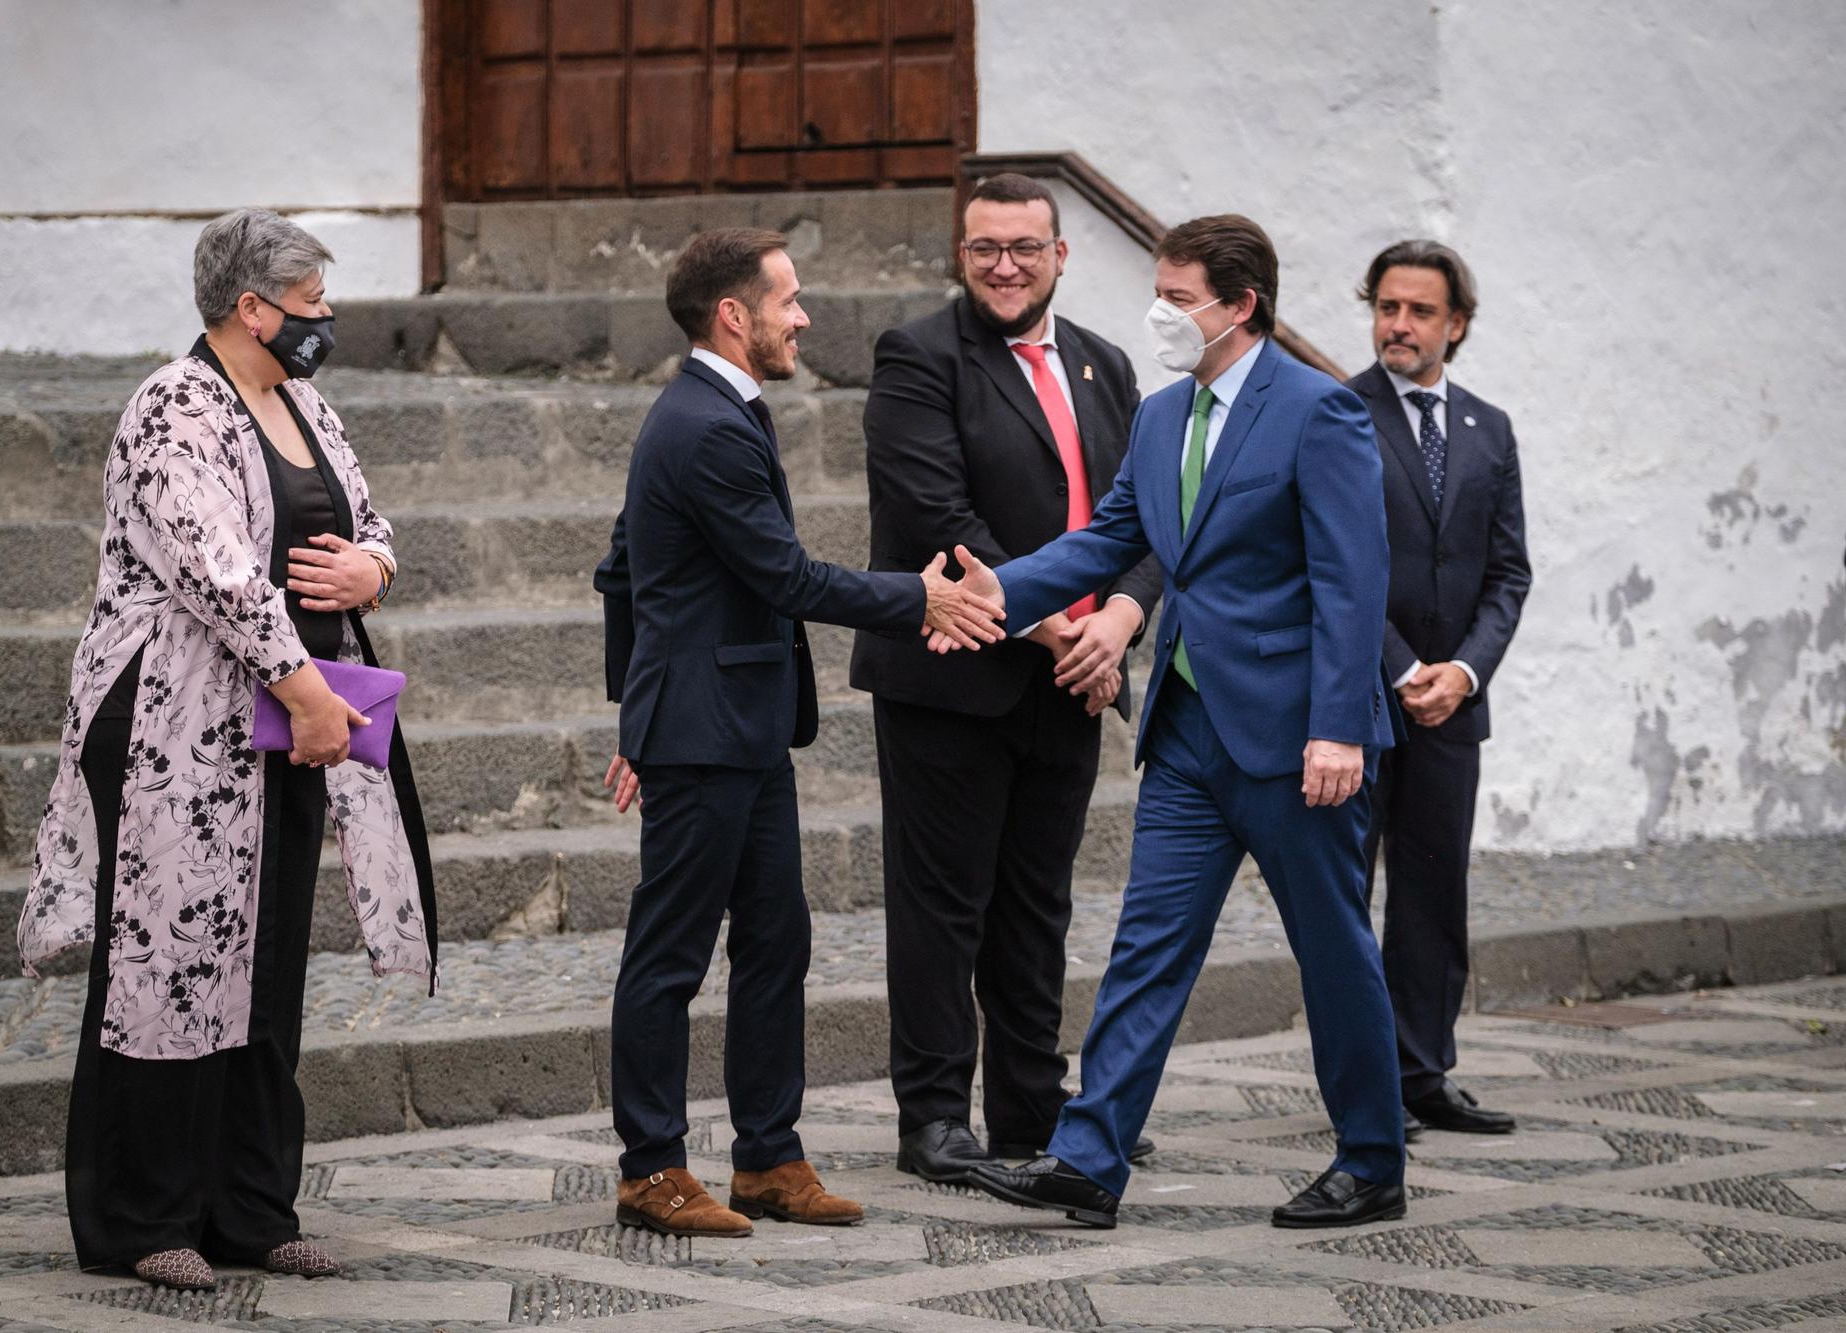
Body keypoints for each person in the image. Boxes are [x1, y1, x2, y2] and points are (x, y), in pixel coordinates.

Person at [956, 215, 1408, 1230]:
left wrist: (1337, 724)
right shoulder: (1162, 417)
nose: (1158, 313)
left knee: (1331, 950)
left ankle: (1371, 1160)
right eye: (1155, 293)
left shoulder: (1318, 412)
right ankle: (1087, 1158)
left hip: (1299, 739)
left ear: (1239, 304)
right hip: (1189, 731)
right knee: (1144, 948)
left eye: (1176, 296)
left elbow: (1349, 581)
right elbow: (1109, 537)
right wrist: (998, 592)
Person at [17, 209, 437, 1290]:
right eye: (308, 302)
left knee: (267, 959)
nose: (324, 319)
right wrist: (302, 691)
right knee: (168, 957)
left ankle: (251, 1206)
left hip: (288, 719)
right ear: (250, 307)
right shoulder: (172, 403)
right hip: (172, 723)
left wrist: (370, 574)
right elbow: (216, 571)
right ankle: (145, 1213)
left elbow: (371, 519)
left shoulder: (303, 400)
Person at [594, 227, 1004, 1239]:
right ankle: (649, 1169)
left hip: (738, 728)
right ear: (733, 314)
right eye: (787, 299)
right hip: (700, 736)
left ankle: (768, 1159)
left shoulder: (716, 412)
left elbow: (620, 569)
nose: (802, 316)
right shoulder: (703, 425)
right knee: (669, 956)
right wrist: (919, 598)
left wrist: (633, 702)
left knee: (779, 941)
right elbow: (782, 577)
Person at [850, 173, 1163, 1182]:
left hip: (1074, 676)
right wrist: (1058, 626)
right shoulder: (916, 358)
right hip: (953, 677)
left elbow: (1152, 518)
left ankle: (1031, 1106)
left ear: (1059, 256)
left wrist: (1115, 621)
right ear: (960, 253)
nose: (1003, 266)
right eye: (984, 247)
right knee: (942, 907)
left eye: (1024, 247)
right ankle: (934, 1117)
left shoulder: (1105, 367)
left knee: (1037, 902)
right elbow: (938, 521)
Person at [1349, 240, 1530, 1138]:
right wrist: (1399, 665)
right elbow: (1328, 567)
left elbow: (1509, 573)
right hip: (1359, 698)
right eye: (1387, 307)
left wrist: (1461, 671)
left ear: (1456, 324)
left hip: (1454, 705)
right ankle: (1363, 1085)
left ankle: (1423, 1072)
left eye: (1420, 311)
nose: (1399, 326)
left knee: (1432, 895)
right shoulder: (1337, 413)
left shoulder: (1489, 428)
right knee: (1345, 898)